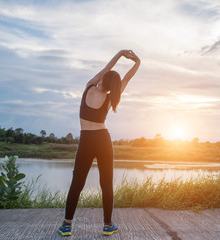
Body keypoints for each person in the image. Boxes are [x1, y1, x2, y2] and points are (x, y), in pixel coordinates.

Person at [59, 50, 140, 237]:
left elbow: (107, 68)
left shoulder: (89, 87)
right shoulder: (113, 95)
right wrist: (137, 62)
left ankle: (66, 225)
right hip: (103, 139)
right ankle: (107, 225)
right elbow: (126, 78)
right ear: (114, 86)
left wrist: (120, 54)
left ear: (103, 79)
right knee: (106, 184)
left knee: (76, 184)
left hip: (86, 139)